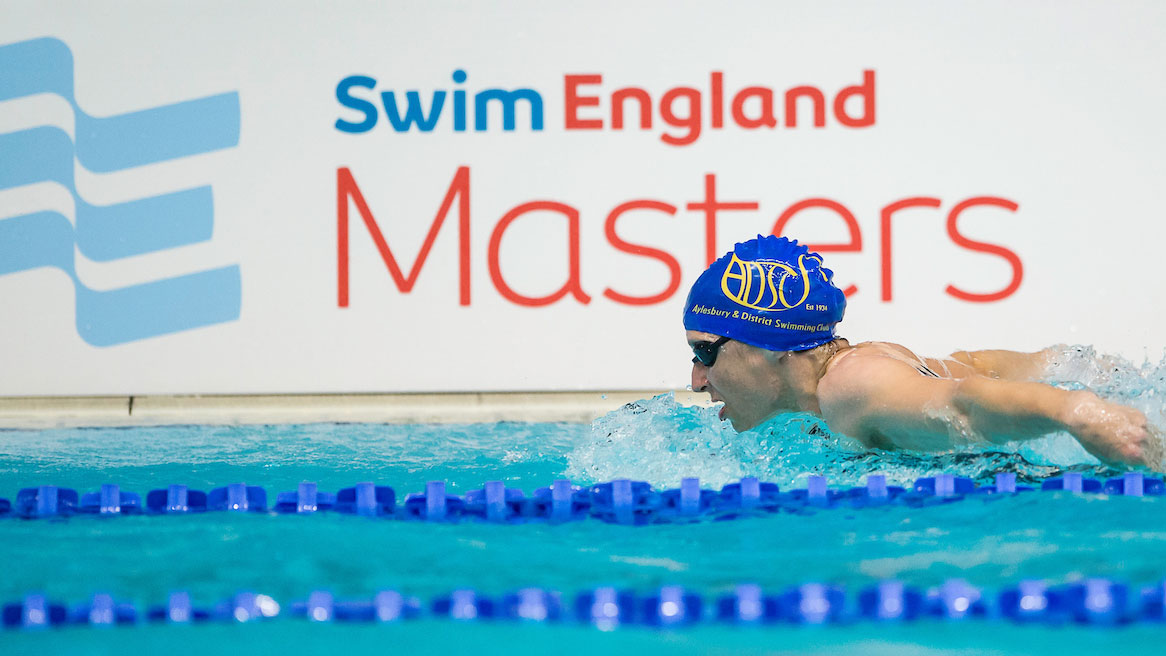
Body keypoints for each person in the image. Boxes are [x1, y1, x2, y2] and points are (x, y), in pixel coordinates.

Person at [683, 235, 1160, 468]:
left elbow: (963, 406)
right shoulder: (851, 369)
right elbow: (970, 366)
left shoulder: (852, 388)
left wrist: (1076, 412)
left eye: (705, 353)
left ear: (767, 344)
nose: (696, 380)